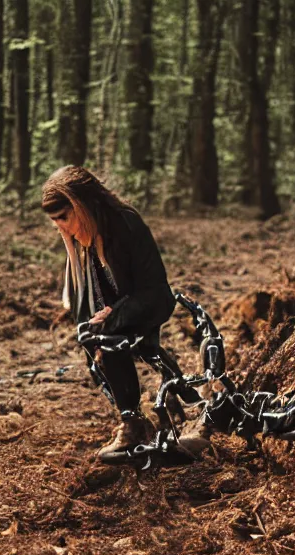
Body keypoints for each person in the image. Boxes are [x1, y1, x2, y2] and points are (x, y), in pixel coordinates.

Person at [42, 166, 202, 463]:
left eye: (64, 217)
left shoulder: (125, 223)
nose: (61, 228)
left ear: (83, 205)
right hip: (123, 306)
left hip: (151, 299)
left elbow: (149, 287)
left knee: (109, 336)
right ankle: (141, 416)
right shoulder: (86, 236)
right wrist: (99, 318)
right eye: (55, 221)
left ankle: (135, 422)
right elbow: (95, 294)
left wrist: (113, 314)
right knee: (92, 335)